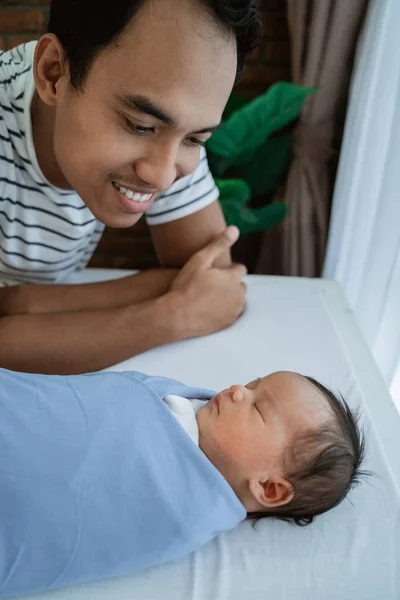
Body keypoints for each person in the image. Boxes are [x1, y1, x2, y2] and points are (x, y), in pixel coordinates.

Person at [0, 0, 263, 375]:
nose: (161, 176)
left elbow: (213, 278)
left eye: (196, 139)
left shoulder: (169, 125)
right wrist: (170, 316)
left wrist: (23, 303)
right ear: (54, 72)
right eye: (139, 125)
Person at [0, 367, 365, 597]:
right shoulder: (185, 400)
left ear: (269, 488)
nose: (239, 389)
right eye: (254, 383)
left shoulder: (186, 509)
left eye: (256, 408)